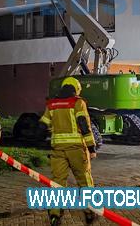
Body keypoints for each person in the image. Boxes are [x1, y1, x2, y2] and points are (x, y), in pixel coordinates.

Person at [39, 77, 96, 226]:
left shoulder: (51, 104)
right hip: (77, 149)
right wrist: (91, 148)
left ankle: (55, 215)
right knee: (84, 180)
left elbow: (42, 126)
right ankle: (90, 212)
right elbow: (84, 125)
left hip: (57, 150)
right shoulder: (78, 102)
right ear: (76, 89)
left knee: (58, 182)